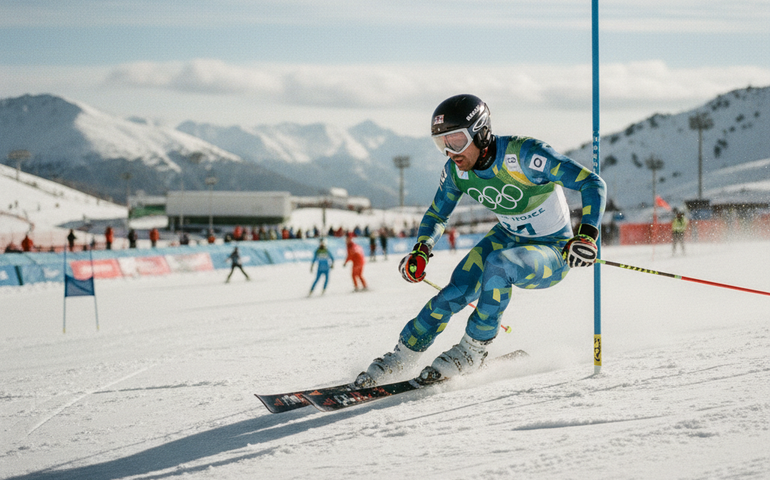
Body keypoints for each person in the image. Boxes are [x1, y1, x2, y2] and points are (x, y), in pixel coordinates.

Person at [354, 94, 606, 388]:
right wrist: (421, 250)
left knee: (499, 265)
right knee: (453, 293)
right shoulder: (456, 171)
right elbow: (437, 213)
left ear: (482, 132)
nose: (451, 152)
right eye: (442, 144)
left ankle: (474, 350)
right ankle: (402, 355)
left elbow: (591, 182)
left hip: (551, 249)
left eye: (457, 141)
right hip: (508, 237)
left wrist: (587, 235)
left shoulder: (524, 155)